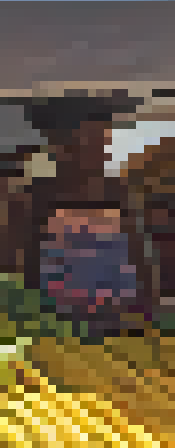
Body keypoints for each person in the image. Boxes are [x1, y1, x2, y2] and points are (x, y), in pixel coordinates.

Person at [7, 98, 152, 334]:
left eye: (104, 138)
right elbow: (21, 273)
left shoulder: (119, 193)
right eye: (91, 140)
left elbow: (141, 267)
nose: (103, 148)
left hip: (119, 327)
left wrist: (144, 318)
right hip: (56, 330)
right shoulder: (35, 198)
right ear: (59, 145)